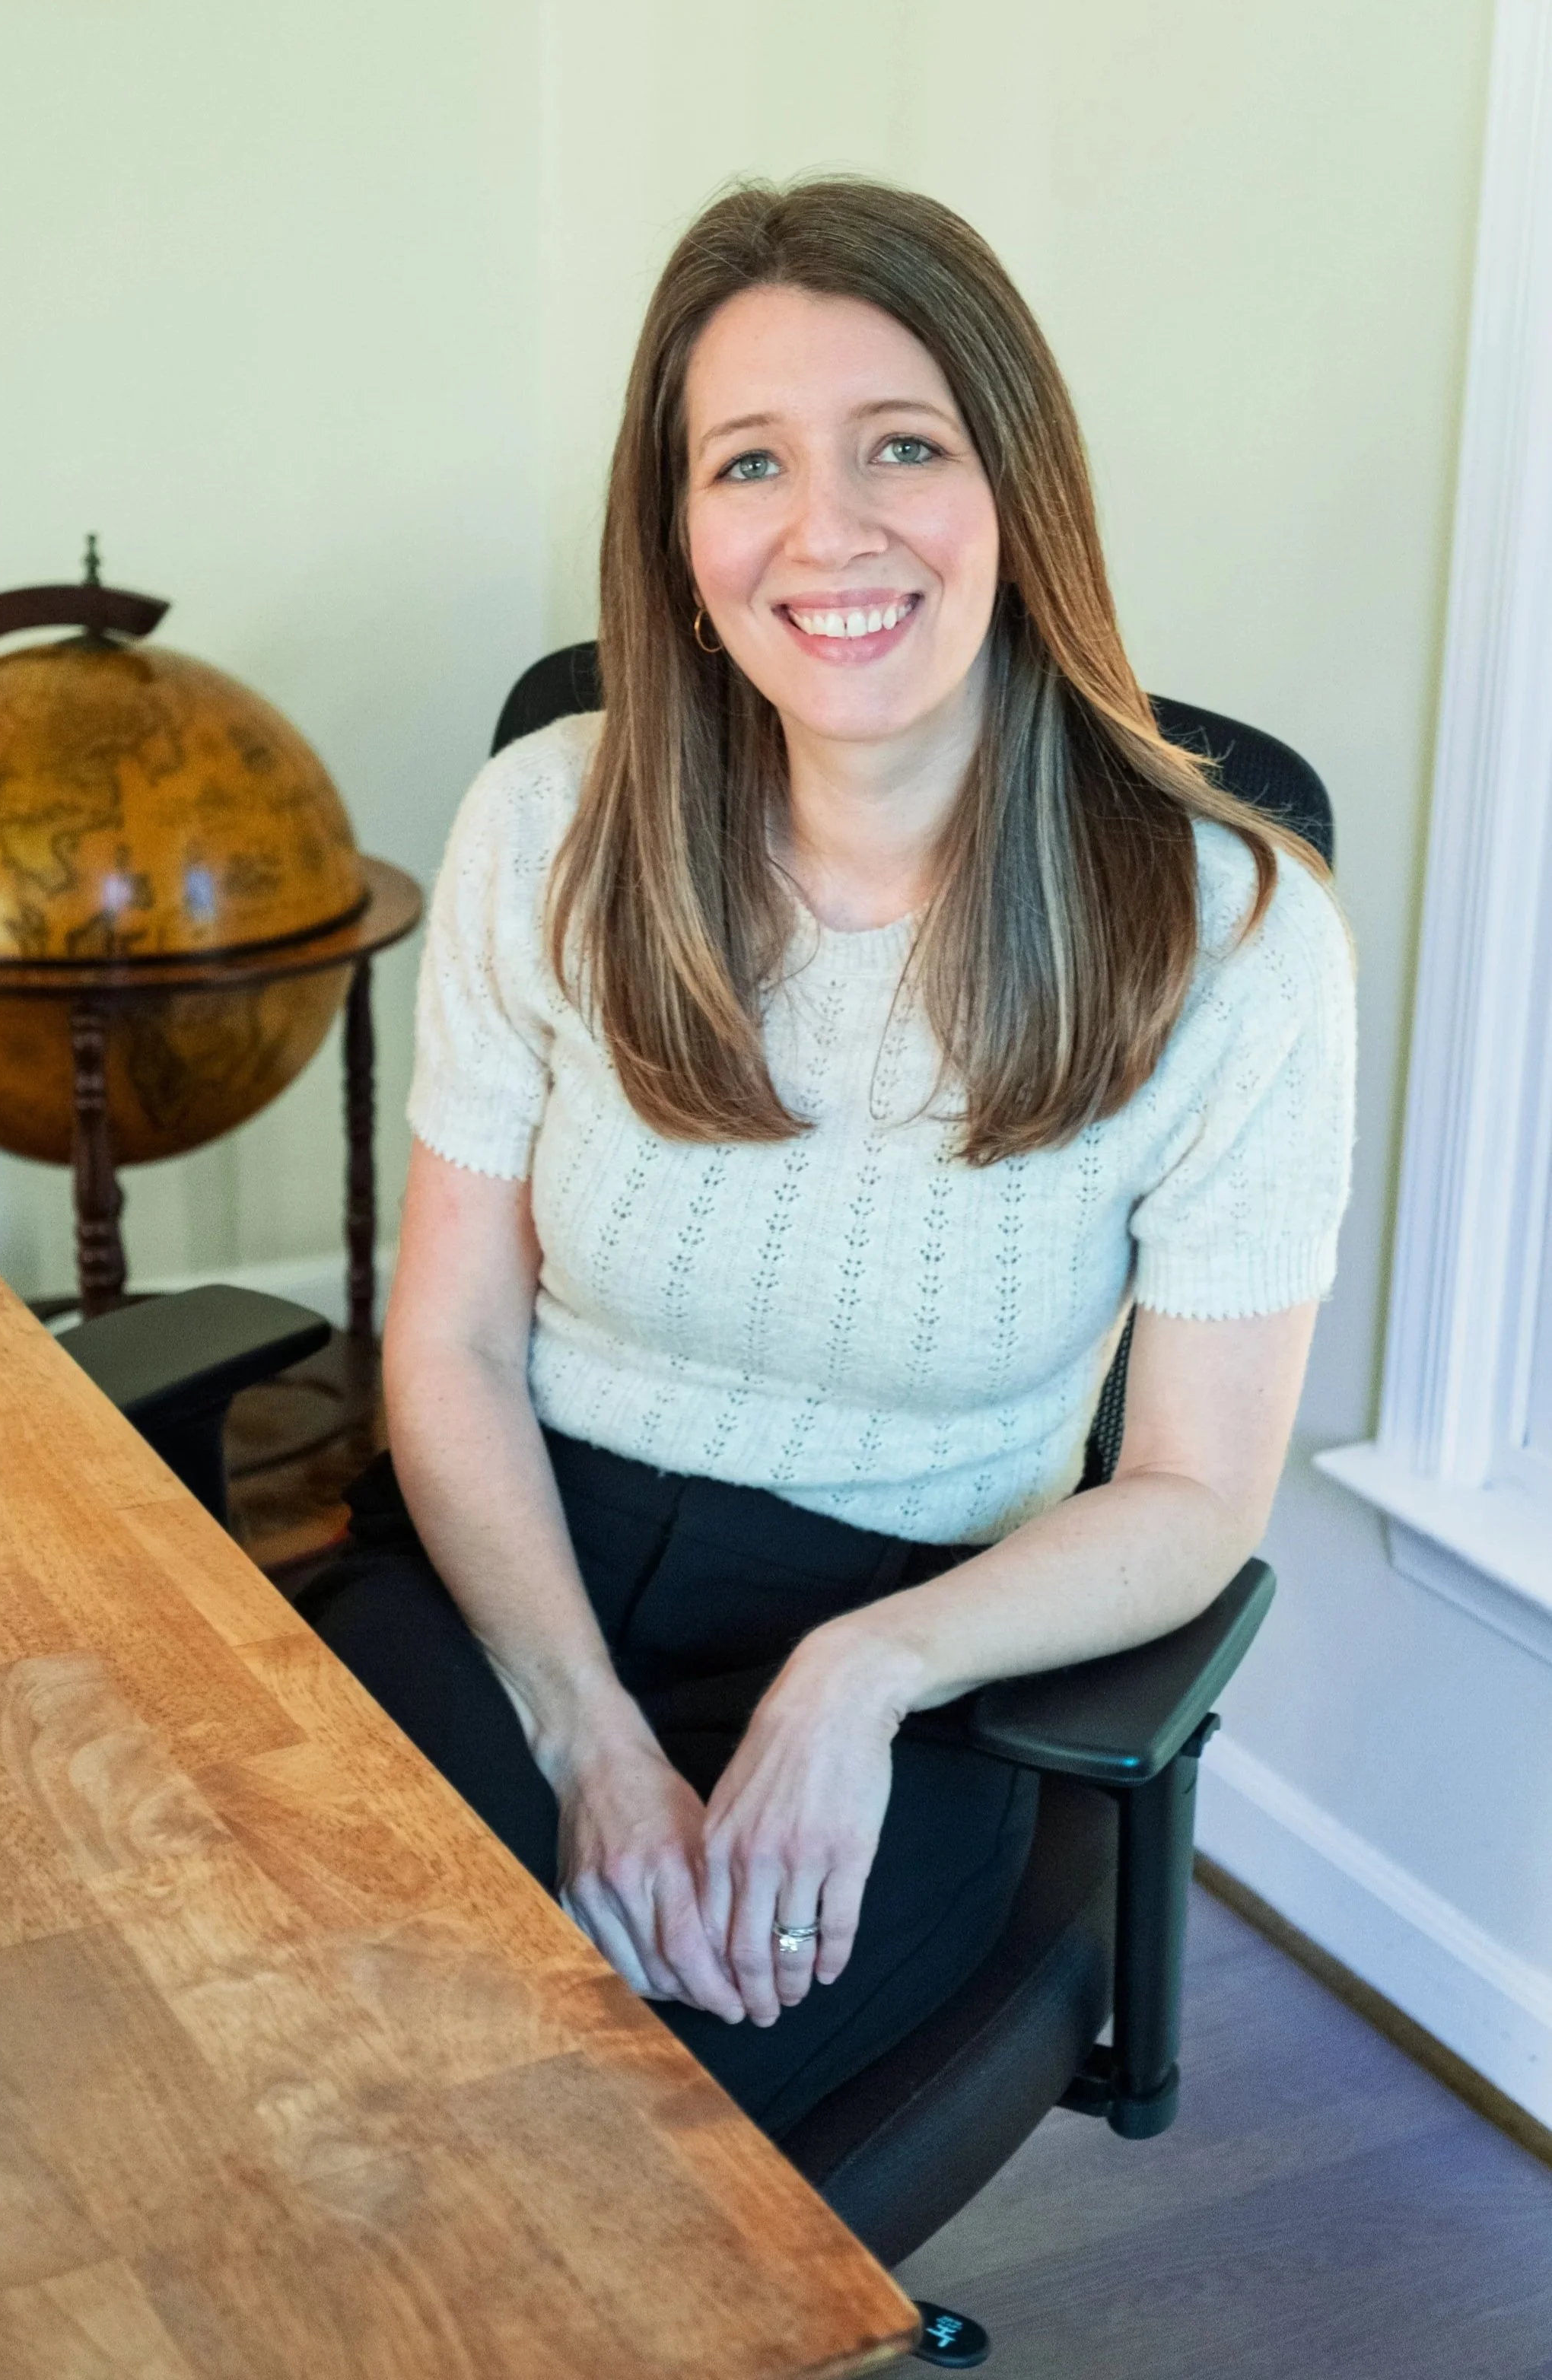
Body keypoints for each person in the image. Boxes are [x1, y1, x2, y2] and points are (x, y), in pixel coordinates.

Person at [306, 177, 1356, 2140]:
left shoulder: (1235, 936)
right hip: (521, 1563)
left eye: (903, 445)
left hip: (931, 1628)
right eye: (749, 462)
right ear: (679, 532)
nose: (827, 529)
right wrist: (587, 1736)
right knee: (305, 2020)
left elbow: (1201, 1490)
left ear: (1015, 491)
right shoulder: (550, 828)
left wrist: (860, 1677)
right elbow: (446, 1350)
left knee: (620, 2131)